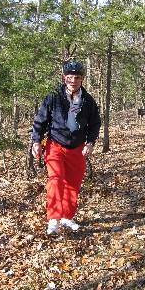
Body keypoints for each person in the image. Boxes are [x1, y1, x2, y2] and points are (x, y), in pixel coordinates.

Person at [31, 61, 101, 235]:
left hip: (77, 147)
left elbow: (95, 124)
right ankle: (53, 219)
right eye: (70, 77)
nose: (73, 80)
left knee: (73, 183)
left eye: (77, 77)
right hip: (55, 145)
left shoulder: (88, 100)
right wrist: (36, 141)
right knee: (56, 179)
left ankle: (67, 217)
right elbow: (40, 120)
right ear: (64, 78)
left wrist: (90, 142)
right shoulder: (53, 97)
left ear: (82, 79)